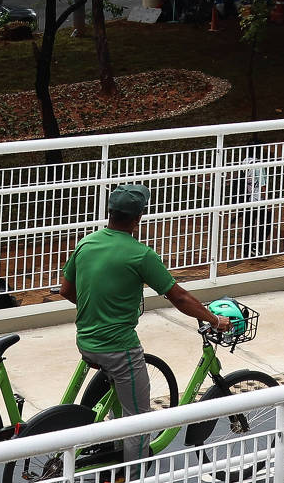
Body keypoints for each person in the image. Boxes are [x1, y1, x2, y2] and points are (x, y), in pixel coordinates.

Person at [59, 184, 233, 466]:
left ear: (110, 213)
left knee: (121, 404)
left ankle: (113, 458)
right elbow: (180, 297)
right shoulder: (141, 255)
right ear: (138, 218)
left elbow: (67, 291)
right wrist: (215, 319)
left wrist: (98, 309)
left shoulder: (86, 243)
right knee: (139, 423)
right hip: (118, 349)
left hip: (86, 341)